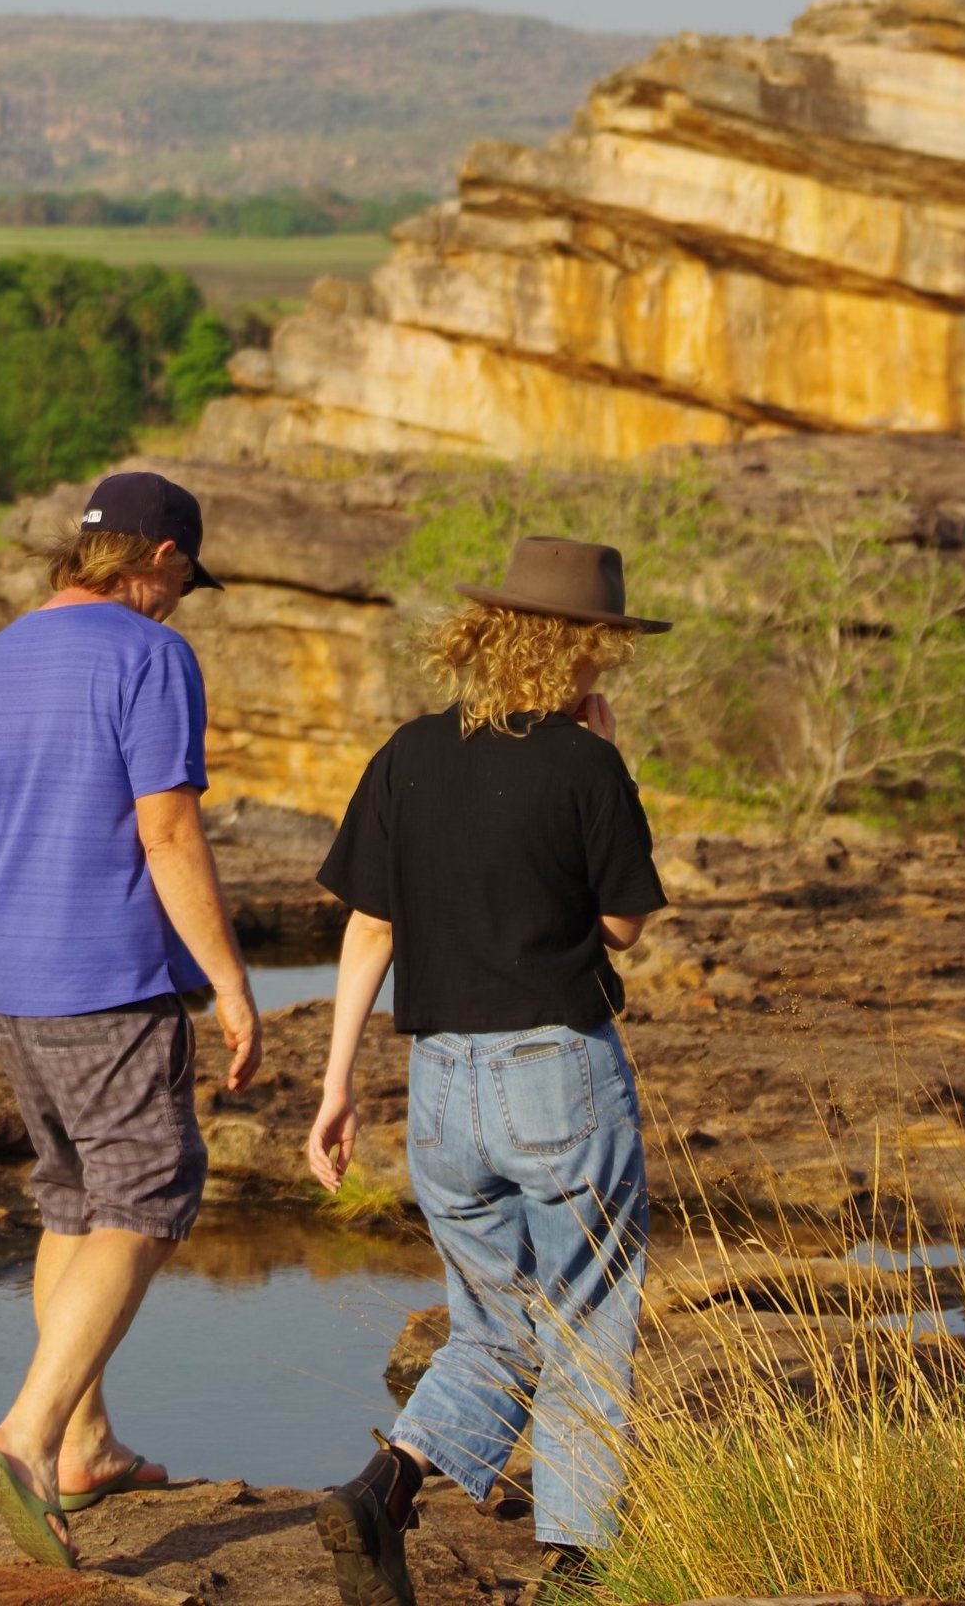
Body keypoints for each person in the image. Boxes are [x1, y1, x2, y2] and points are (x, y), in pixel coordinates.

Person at [0, 467, 262, 1570]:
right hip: (107, 976)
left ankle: (83, 1444)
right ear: (158, 560)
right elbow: (164, 837)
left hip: (12, 982)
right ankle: (25, 1435)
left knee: (72, 1202)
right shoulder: (152, 657)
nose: (179, 601)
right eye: (181, 581)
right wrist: (233, 982)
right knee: (150, 1197)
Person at [306, 536, 670, 1606]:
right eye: (599, 646)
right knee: (583, 1318)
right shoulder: (584, 763)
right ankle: (574, 1560)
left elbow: (369, 928)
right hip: (555, 1074)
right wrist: (607, 761)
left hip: (438, 1087)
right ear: (575, 651)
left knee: (490, 1323)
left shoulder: (406, 754)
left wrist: (334, 1088)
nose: (605, 664)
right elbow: (622, 926)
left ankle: (384, 1488)